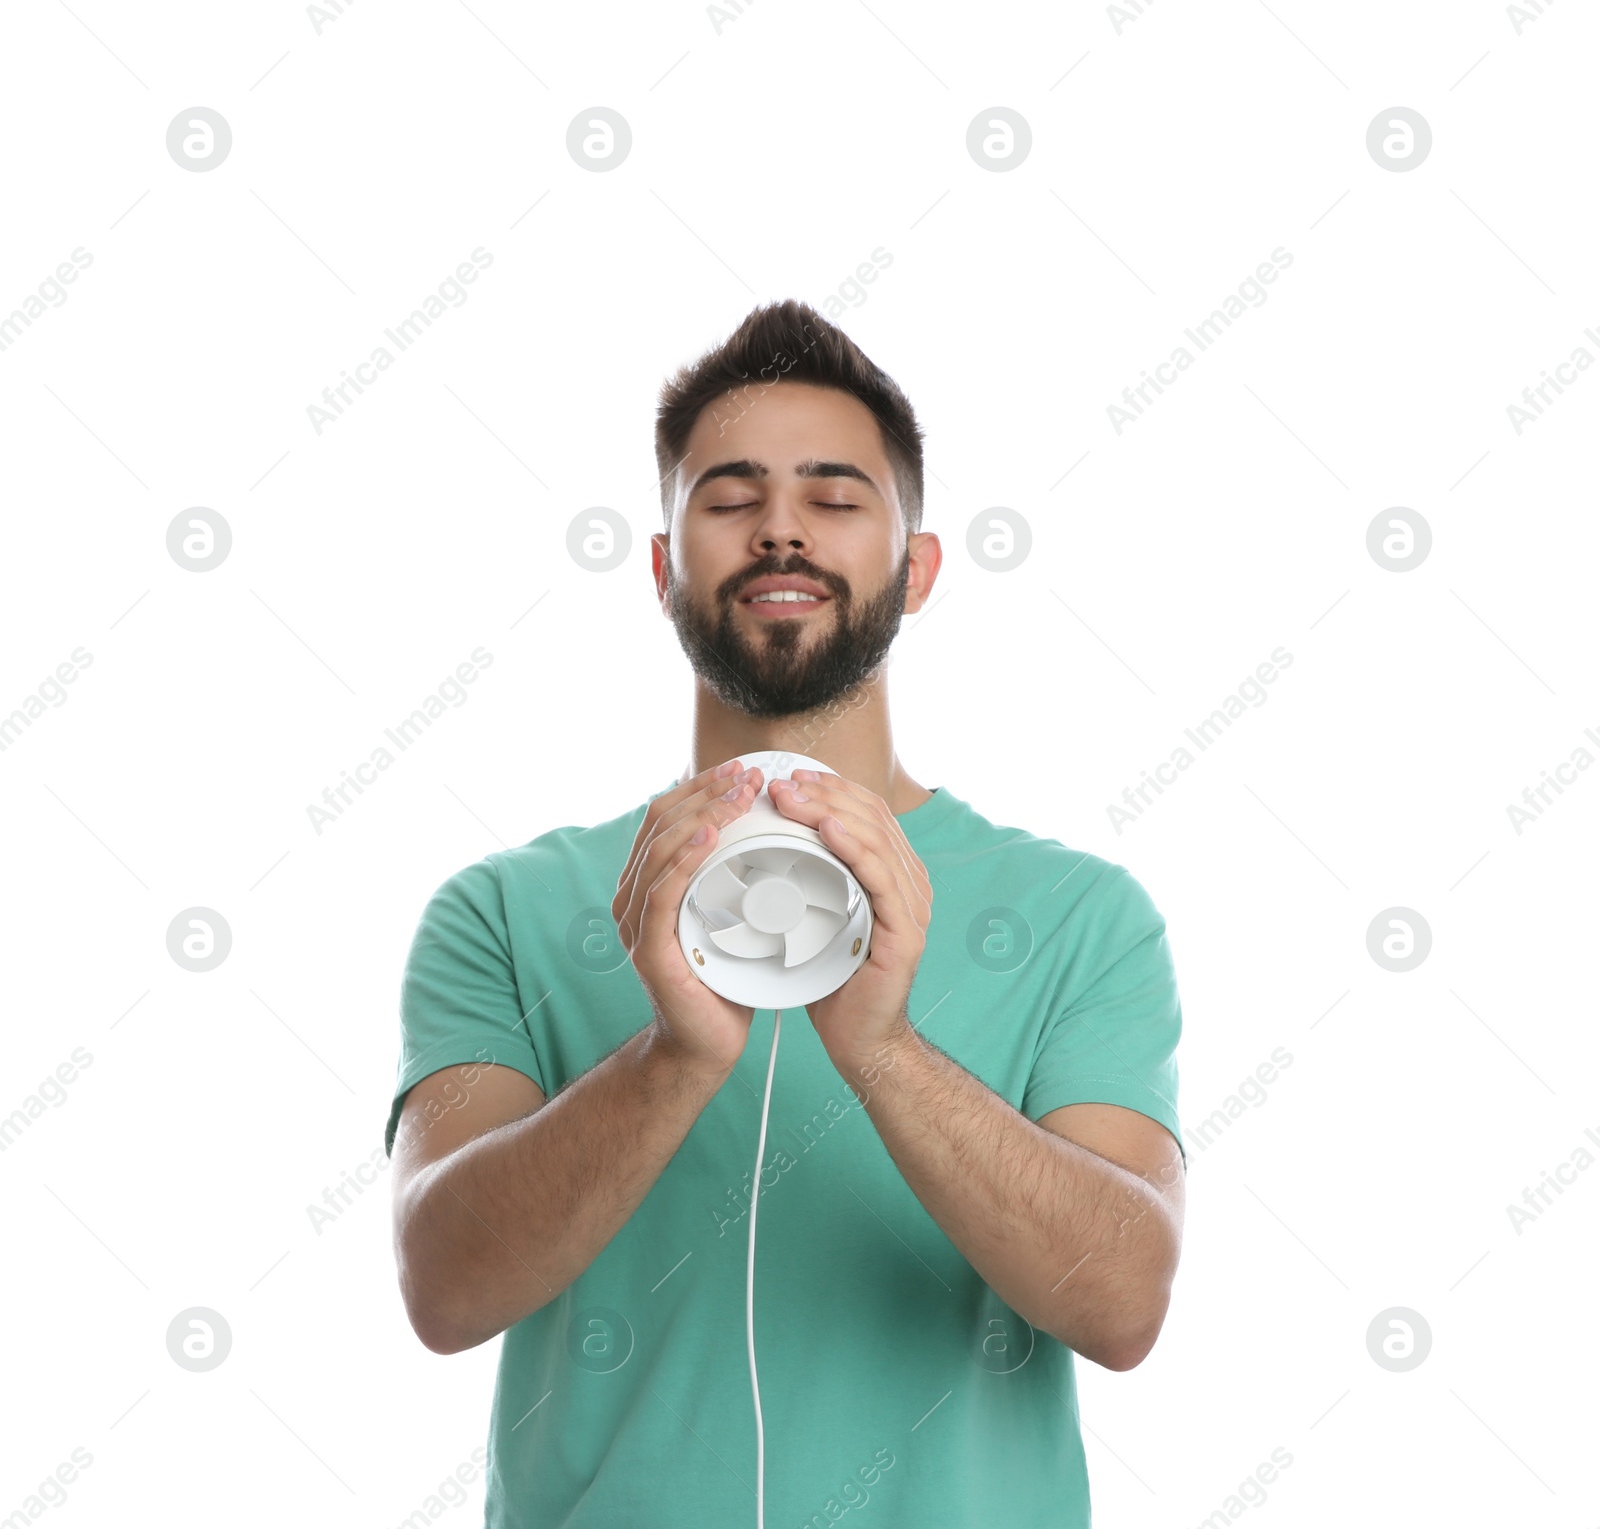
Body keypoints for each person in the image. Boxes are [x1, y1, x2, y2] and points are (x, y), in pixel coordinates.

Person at [386, 298, 1187, 1528]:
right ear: (663, 570)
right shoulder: (502, 911)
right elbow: (442, 1287)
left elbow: (1123, 1303)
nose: (778, 530)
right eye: (727, 497)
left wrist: (882, 1048)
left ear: (915, 570)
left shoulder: (1080, 915)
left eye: (834, 496)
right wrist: (672, 1058)